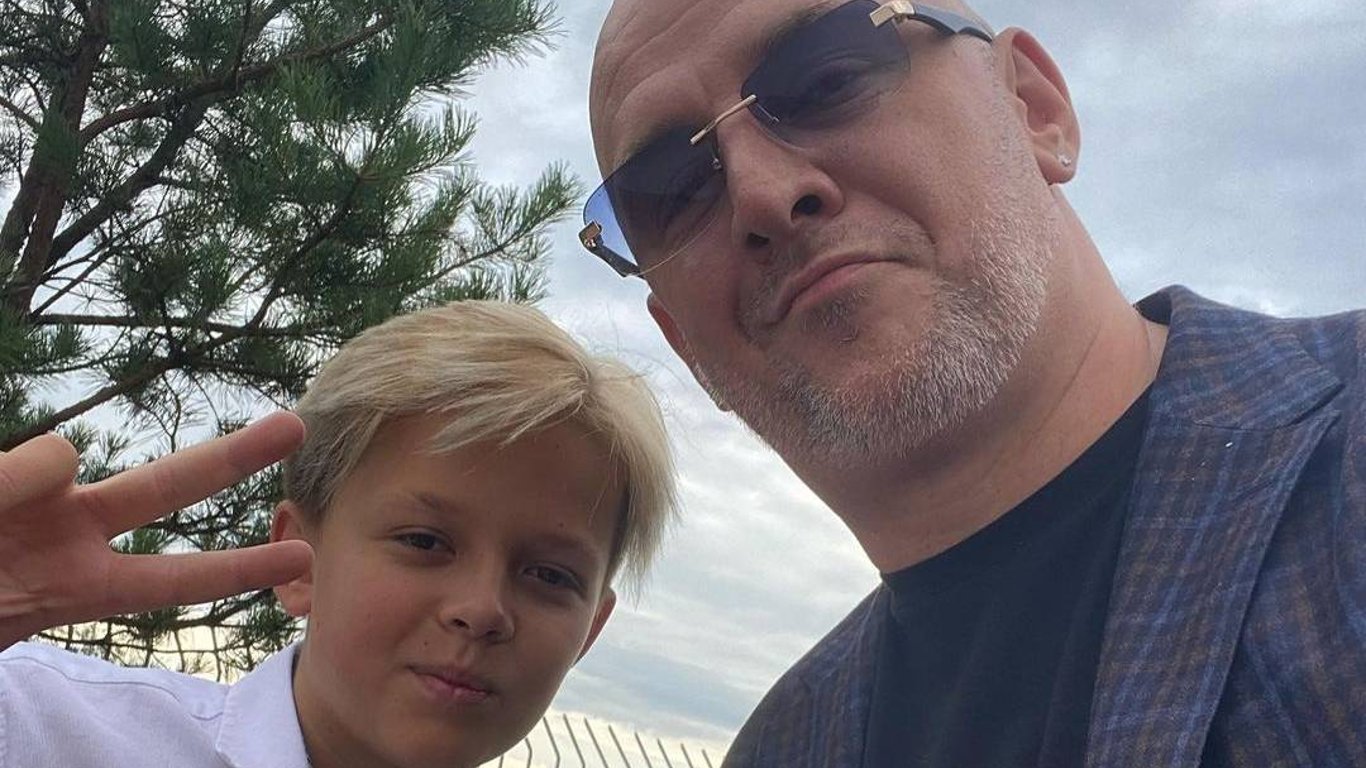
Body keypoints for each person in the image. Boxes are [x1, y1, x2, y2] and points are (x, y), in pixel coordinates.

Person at [580, 0, 1365, 766]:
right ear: (684, 346)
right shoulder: (778, 748)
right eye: (672, 190)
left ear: (1034, 110)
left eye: (826, 77)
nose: (762, 195)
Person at [0, 300, 676, 768]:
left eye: (551, 576)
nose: (481, 610)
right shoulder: (44, 731)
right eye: (424, 541)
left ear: (590, 629)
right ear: (298, 563)